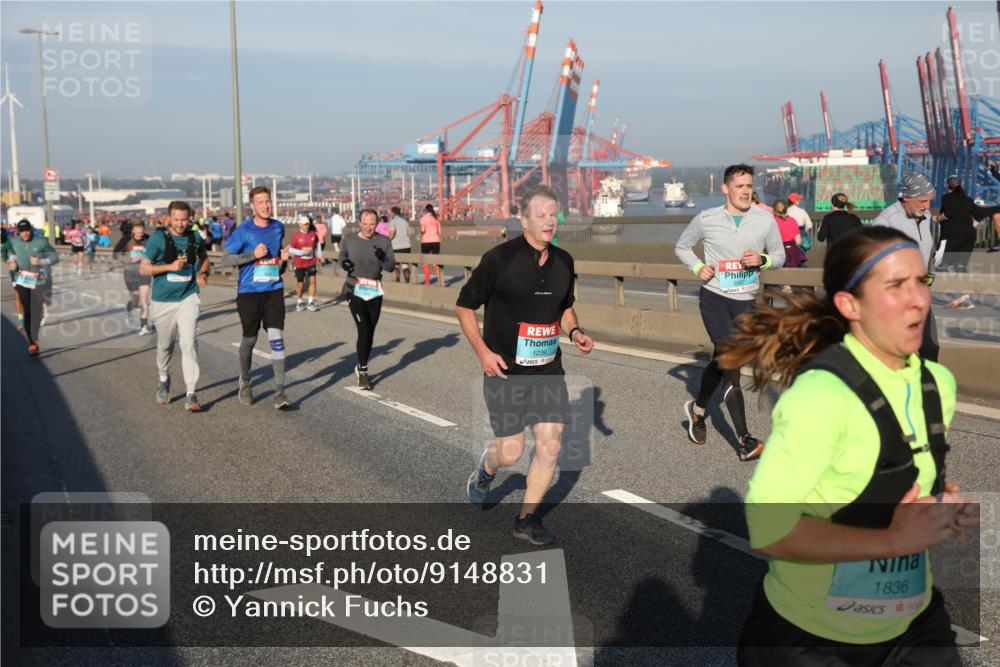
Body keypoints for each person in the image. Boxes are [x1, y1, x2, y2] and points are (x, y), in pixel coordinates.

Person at [718, 225, 978, 666]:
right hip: (814, 639)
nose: (918, 299)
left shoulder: (939, 384)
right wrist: (892, 541)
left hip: (913, 625)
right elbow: (769, 530)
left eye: (922, 280)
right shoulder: (821, 396)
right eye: (896, 285)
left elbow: (895, 473)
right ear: (848, 304)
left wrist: (938, 503)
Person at [458, 184, 594, 546]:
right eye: (542, 214)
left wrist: (575, 330)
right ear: (523, 219)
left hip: (548, 369)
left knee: (550, 445)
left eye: (554, 214)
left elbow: (564, 306)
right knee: (512, 451)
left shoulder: (564, 261)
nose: (550, 221)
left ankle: (526, 519)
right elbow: (465, 306)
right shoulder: (499, 259)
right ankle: (487, 468)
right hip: (505, 371)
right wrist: (483, 353)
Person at [675, 163, 785, 461]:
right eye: (740, 186)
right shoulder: (707, 219)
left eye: (749, 186)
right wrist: (698, 266)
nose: (746, 191)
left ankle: (697, 411)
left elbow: (780, 255)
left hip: (746, 300)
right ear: (726, 189)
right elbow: (682, 247)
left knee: (721, 359)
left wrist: (761, 260)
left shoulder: (764, 219)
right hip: (715, 298)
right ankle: (745, 440)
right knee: (732, 362)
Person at [221, 186, 291, 409]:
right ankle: (245, 381)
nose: (266, 205)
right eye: (261, 202)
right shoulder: (244, 230)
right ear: (252, 206)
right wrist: (252, 255)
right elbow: (225, 261)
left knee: (276, 337)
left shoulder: (278, 227)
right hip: (249, 292)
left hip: (273, 290)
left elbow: (278, 264)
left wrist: (284, 259)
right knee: (250, 339)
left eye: (268, 201)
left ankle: (280, 392)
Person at [140, 202, 208, 410]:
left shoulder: (194, 237)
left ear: (190, 219)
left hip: (188, 296)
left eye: (184, 219)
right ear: (168, 218)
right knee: (165, 345)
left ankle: (191, 394)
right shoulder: (158, 239)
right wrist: (170, 266)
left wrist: (203, 273)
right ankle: (163, 379)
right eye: (176, 219)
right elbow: (143, 269)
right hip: (163, 300)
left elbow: (204, 259)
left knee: (188, 343)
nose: (180, 224)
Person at [873, 172, 940, 361]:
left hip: (920, 293)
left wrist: (929, 276)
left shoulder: (925, 216)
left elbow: (928, 250)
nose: (927, 206)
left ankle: (927, 388)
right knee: (900, 351)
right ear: (907, 198)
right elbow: (870, 258)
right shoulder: (887, 221)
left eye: (930, 201)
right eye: (923, 201)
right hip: (895, 298)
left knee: (931, 347)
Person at [339, 208, 396, 390]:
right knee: (363, 329)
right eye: (365, 224)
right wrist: (344, 263)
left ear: (377, 223)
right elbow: (342, 257)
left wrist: (383, 257)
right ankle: (363, 371)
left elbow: (390, 267)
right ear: (359, 223)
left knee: (370, 332)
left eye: (372, 224)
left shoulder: (384, 241)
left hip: (374, 290)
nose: (368, 228)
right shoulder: (349, 239)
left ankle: (360, 364)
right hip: (354, 289)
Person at [6, 220, 59, 356]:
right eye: (22, 231)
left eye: (27, 230)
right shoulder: (13, 241)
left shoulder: (41, 242)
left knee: (37, 311)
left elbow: (55, 257)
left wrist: (41, 261)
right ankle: (32, 342)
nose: (25, 233)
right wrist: (11, 261)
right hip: (23, 279)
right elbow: (11, 253)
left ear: (31, 230)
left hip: (39, 280)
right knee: (28, 310)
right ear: (18, 231)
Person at [936, 175, 999, 273]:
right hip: (968, 234)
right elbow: (979, 213)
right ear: (960, 185)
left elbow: (949, 213)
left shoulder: (946, 198)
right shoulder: (968, 199)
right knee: (961, 266)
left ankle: (943, 273)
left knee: (940, 265)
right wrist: (976, 221)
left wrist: (937, 218)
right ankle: (960, 276)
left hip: (951, 234)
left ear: (947, 185)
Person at [113, 222, 153, 334]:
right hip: (130, 272)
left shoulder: (149, 239)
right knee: (136, 299)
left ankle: (143, 326)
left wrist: (145, 257)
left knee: (144, 299)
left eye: (142, 231)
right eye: (138, 231)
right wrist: (129, 260)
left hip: (145, 271)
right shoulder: (126, 239)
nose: (140, 234)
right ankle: (130, 309)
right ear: (133, 231)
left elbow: (154, 253)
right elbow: (115, 254)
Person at [288, 213, 320, 312]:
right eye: (305, 224)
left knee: (313, 280)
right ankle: (299, 301)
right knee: (300, 284)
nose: (307, 225)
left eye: (308, 224)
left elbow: (317, 243)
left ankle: (311, 302)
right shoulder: (296, 236)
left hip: (311, 261)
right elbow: (290, 249)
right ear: (300, 225)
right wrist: (301, 252)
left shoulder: (313, 234)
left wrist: (319, 253)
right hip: (299, 263)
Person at [1, 228, 25, 330]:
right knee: (18, 296)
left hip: (26, 272)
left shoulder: (17, 242)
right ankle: (21, 321)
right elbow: (5, 258)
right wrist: (10, 263)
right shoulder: (4, 247)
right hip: (15, 274)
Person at [772, 199, 804, 269]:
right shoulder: (793, 221)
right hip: (793, 253)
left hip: (778, 253)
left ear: (773, 209)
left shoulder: (772, 222)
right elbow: (798, 242)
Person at [419, 204, 442, 285]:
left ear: (426, 210)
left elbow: (423, 230)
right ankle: (439, 279)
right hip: (436, 241)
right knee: (436, 262)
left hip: (426, 241)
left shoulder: (423, 218)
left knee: (426, 262)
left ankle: (427, 281)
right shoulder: (436, 219)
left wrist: (420, 234)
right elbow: (439, 232)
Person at [388, 206, 412, 282]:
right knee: (405, 265)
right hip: (406, 246)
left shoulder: (392, 222)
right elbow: (409, 233)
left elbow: (392, 233)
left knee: (396, 265)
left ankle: (398, 282)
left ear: (393, 213)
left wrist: (387, 240)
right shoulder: (405, 222)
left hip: (396, 246)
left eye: (390, 212)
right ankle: (407, 282)